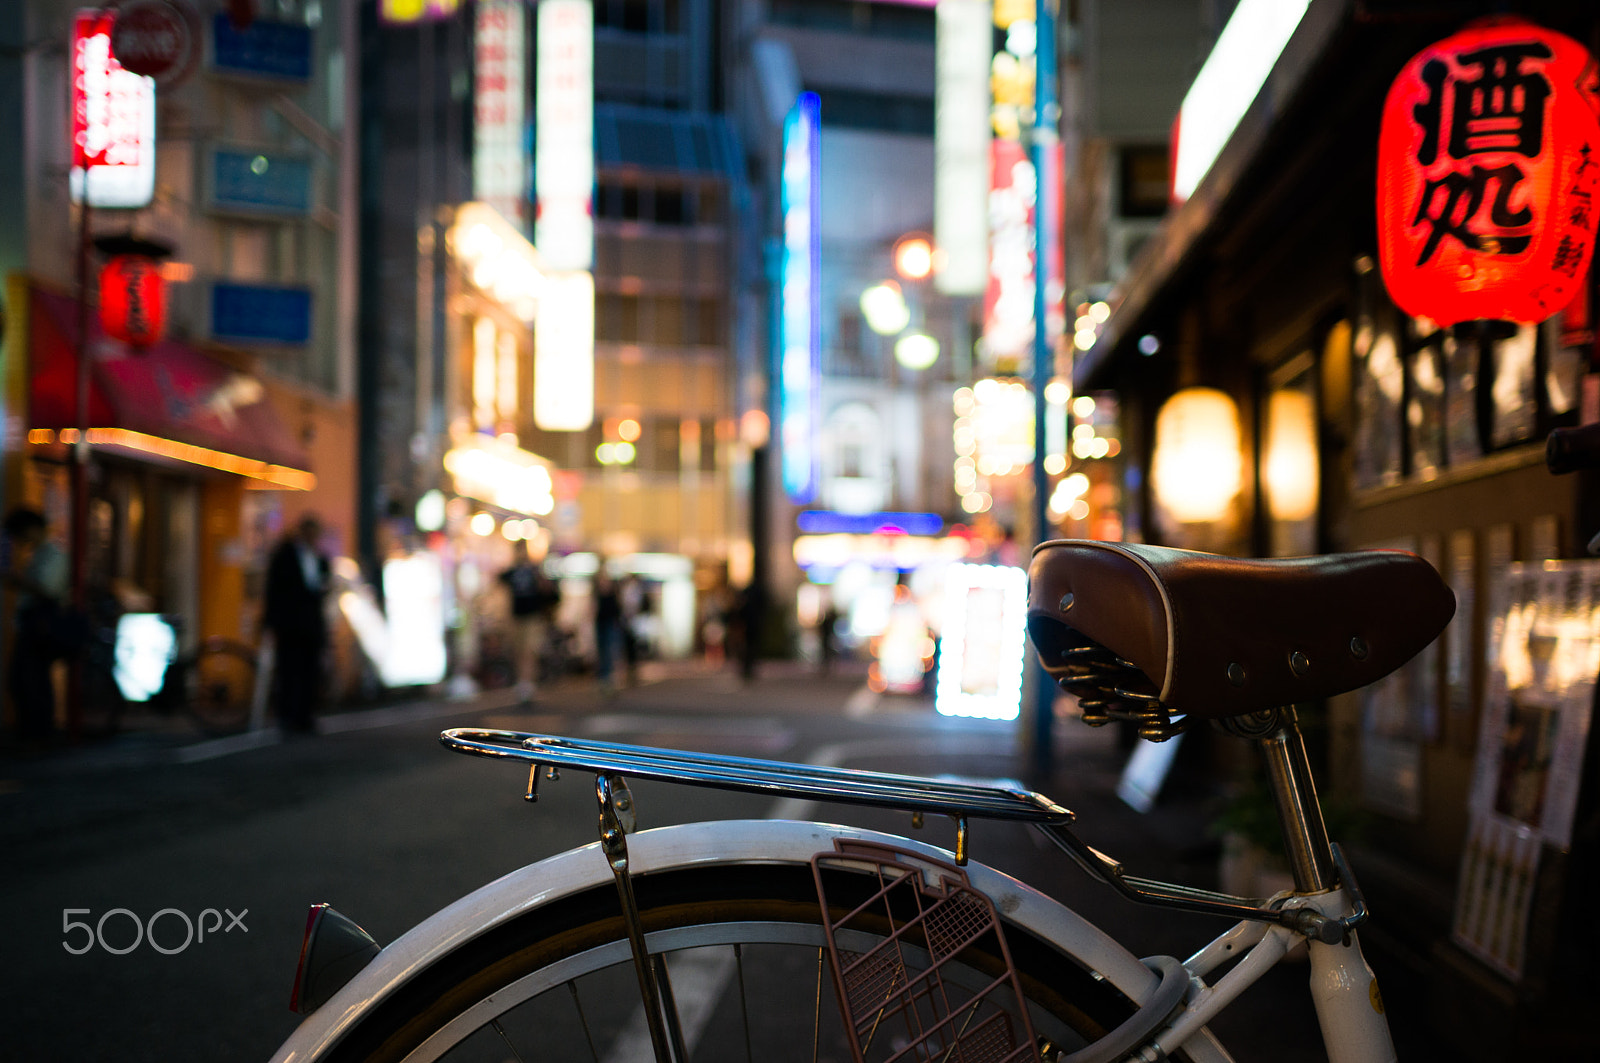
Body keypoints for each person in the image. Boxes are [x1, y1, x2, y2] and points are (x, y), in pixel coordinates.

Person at [4, 508, 69, 745]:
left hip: (42, 622)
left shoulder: (53, 554)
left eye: (20, 534)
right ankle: (33, 732)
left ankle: (38, 734)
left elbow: (49, 589)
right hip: (35, 622)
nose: (20, 541)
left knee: (31, 679)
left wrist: (18, 580)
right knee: (26, 679)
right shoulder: (40, 554)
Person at [263, 514, 330, 734]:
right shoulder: (285, 555)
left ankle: (304, 717)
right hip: (290, 625)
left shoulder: (320, 558)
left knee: (309, 672)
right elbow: (274, 590)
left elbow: (321, 590)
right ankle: (287, 717)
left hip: (310, 625)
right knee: (288, 671)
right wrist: (271, 621)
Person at [498, 548, 560, 702]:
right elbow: (500, 579)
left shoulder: (534, 571)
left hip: (532, 616)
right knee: (518, 650)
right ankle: (522, 681)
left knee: (529, 650)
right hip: (517, 616)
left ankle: (527, 682)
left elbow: (549, 590)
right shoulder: (514, 571)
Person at [592, 571, 625, 694]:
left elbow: (618, 611)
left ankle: (610, 679)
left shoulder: (613, 596)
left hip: (610, 626)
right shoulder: (598, 596)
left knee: (610, 652)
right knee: (602, 653)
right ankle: (603, 679)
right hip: (601, 626)